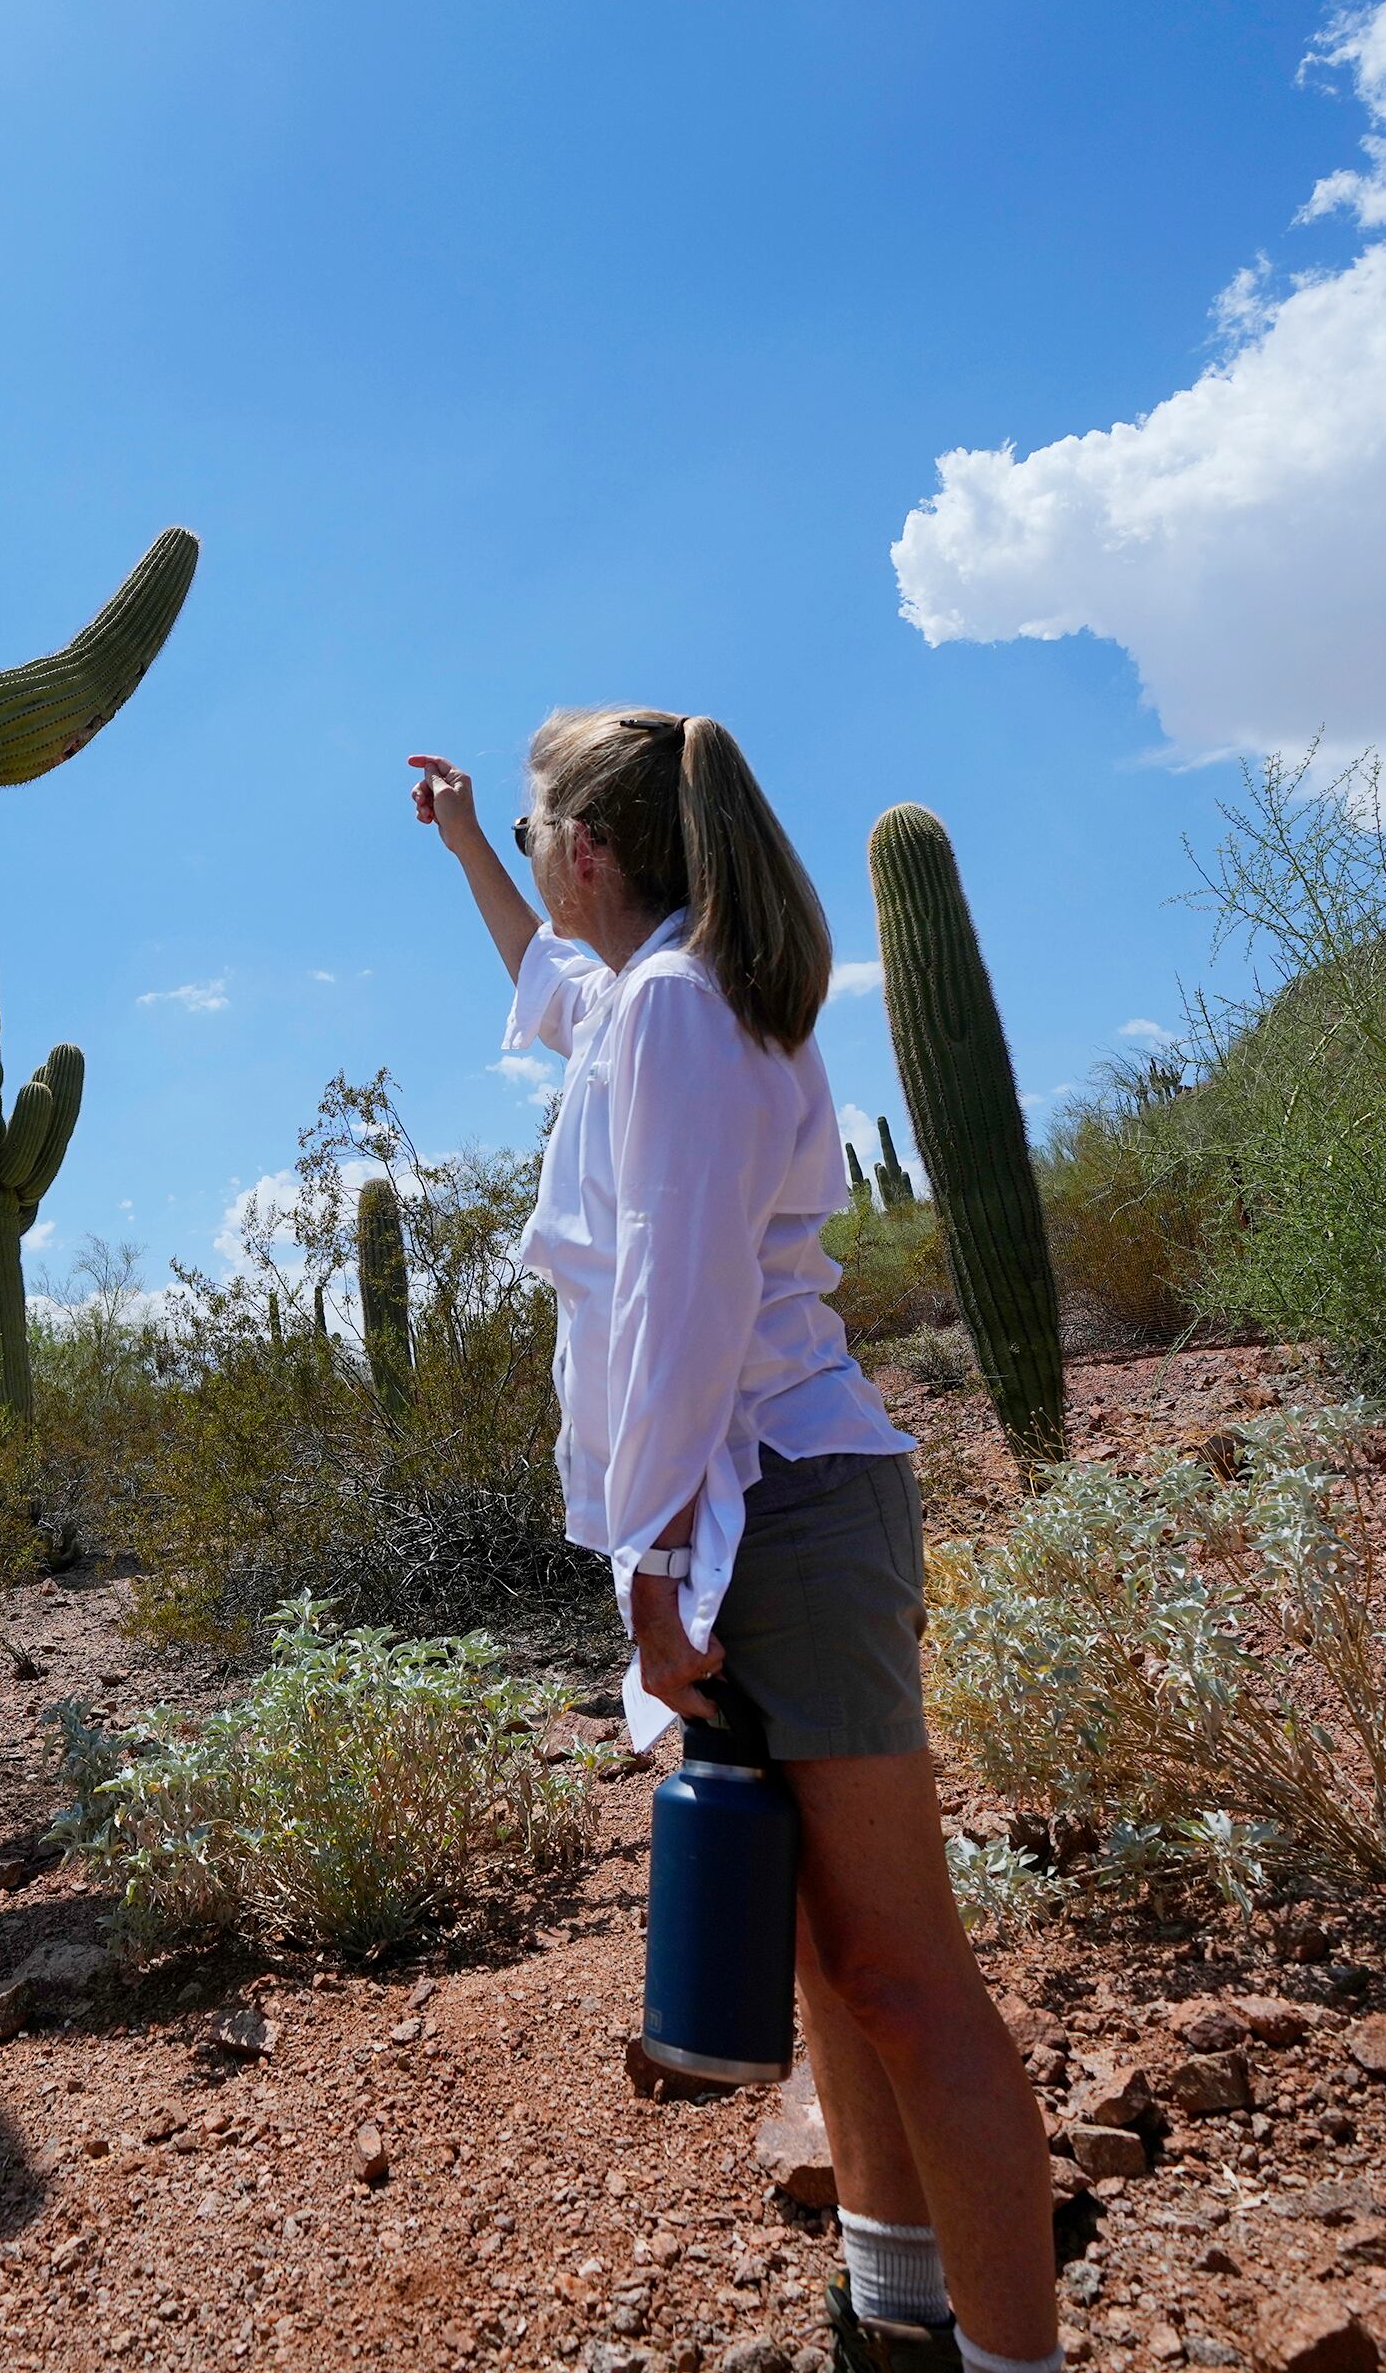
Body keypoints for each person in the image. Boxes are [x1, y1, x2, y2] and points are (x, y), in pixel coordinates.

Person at [410, 710, 1060, 2373]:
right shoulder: (650, 998)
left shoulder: (685, 1013)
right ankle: (896, 2319)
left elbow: (679, 1303)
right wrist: (472, 844)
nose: (543, 865)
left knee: (905, 1978)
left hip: (767, 1504)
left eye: (546, 831)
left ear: (601, 851)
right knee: (832, 1966)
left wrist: (647, 1564)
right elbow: (548, 987)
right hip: (747, 1504)